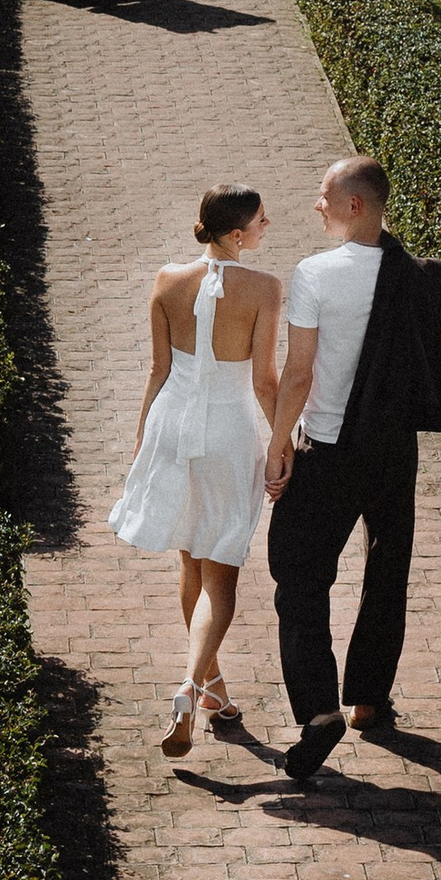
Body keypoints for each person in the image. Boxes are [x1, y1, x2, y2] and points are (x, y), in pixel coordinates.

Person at [262, 155, 441, 785]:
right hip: (395, 448)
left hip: (331, 447)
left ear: (355, 206)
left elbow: (299, 370)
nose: (316, 203)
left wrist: (278, 440)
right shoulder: (425, 278)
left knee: (298, 574)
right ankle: (369, 698)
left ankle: (319, 710)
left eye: (324, 195)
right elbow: (435, 358)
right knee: (386, 566)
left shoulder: (315, 274)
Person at [109, 183, 283, 755]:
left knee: (191, 559)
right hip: (228, 434)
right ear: (237, 234)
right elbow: (263, 381)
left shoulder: (167, 279)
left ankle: (213, 690)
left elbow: (158, 369)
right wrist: (283, 442)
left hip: (171, 426)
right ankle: (190, 685)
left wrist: (141, 440)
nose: (266, 227)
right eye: (261, 221)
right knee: (222, 573)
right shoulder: (263, 288)